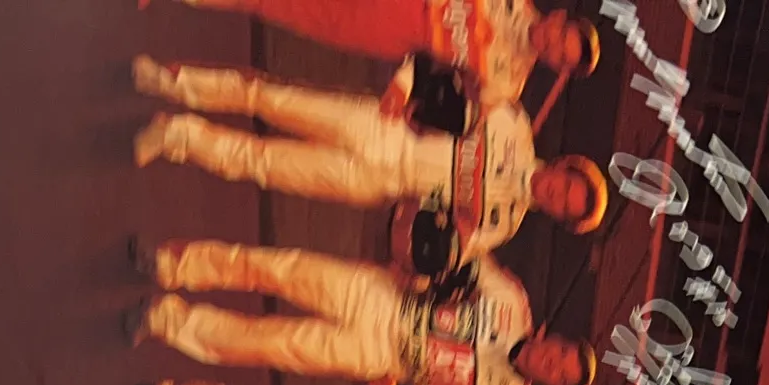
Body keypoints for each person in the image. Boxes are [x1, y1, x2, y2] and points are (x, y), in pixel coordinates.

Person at [129, 241, 596, 385]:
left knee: (268, 344)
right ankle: (170, 264)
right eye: (560, 356)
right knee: (275, 268)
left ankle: (163, 320)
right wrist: (416, 260)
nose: (551, 365)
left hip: (379, 356)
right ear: (552, 339)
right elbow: (462, 255)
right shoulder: (512, 301)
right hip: (381, 295)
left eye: (559, 376)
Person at [131, 60, 606, 257]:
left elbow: (433, 254)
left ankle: (175, 137)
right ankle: (171, 82)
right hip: (385, 126)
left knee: (263, 164)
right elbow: (454, 68)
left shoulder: (502, 226)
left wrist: (438, 236)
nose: (556, 195)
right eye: (567, 186)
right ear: (565, 166)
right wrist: (407, 80)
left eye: (564, 206)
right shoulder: (514, 122)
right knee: (270, 98)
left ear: (558, 218)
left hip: (380, 184)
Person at [146, 3, 601, 110]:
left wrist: (407, 84)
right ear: (560, 17)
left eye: (559, 57)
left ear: (556, 68)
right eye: (561, 38)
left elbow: (444, 88)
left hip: (395, 32)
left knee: (286, 7)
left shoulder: (507, 86)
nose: (551, 46)